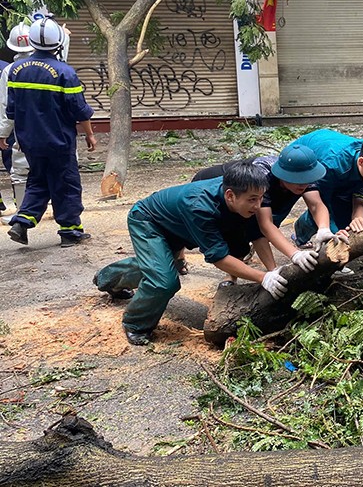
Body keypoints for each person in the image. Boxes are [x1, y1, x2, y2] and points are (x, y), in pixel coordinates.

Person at [94, 161, 315, 346]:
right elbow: (219, 259)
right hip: (149, 221)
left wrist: (273, 269)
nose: (259, 205)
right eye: (253, 200)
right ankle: (135, 324)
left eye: (261, 198)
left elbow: (257, 234)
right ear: (230, 196)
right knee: (164, 281)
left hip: (178, 225)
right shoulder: (200, 206)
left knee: (156, 266)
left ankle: (106, 279)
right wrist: (263, 277)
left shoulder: (241, 197)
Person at [3, 17, 96, 247]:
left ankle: (22, 222)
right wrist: (90, 134)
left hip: (29, 142)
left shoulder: (16, 71)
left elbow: (12, 110)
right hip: (59, 141)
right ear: (58, 43)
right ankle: (70, 231)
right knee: (66, 183)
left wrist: (7, 134)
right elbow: (79, 110)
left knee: (38, 181)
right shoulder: (65, 72)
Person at [181, 145, 334, 282]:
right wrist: (294, 254)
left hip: (255, 195)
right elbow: (264, 226)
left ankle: (261, 269)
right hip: (215, 186)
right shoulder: (262, 179)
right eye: (298, 180)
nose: (304, 184)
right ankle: (228, 273)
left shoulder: (304, 172)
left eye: (307, 180)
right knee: (230, 230)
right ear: (283, 175)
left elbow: (316, 205)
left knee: (252, 227)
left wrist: (324, 229)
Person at [289, 130, 363, 245]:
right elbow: (321, 203)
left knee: (347, 222)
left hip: (341, 162)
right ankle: (300, 236)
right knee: (322, 214)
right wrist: (333, 232)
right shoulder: (332, 165)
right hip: (303, 157)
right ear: (361, 162)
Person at [0, 22, 33, 220]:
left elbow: (6, 106)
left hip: (19, 128)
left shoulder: (9, 71)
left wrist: (2, 133)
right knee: (54, 169)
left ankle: (23, 213)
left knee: (19, 171)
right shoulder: (52, 66)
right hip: (51, 127)